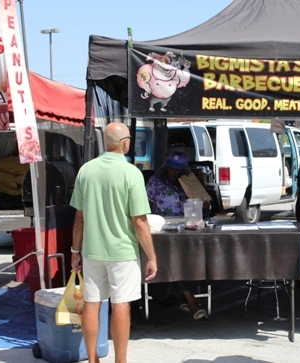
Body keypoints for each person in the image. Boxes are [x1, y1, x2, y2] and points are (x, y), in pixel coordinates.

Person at [70, 122, 158, 363]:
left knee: (92, 302)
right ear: (126, 143)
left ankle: (92, 359)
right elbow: (139, 221)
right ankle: (120, 360)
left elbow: (79, 218)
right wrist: (151, 256)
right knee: (121, 305)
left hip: (91, 250)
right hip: (122, 252)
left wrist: (74, 251)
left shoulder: (86, 171)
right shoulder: (132, 173)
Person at [146, 151, 208, 320]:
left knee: (189, 260)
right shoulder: (155, 183)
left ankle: (186, 298)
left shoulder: (188, 183)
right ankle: (191, 302)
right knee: (175, 260)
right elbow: (144, 206)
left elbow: (204, 208)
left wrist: (201, 196)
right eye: (171, 168)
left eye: (177, 169)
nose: (173, 172)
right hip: (162, 229)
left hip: (185, 228)